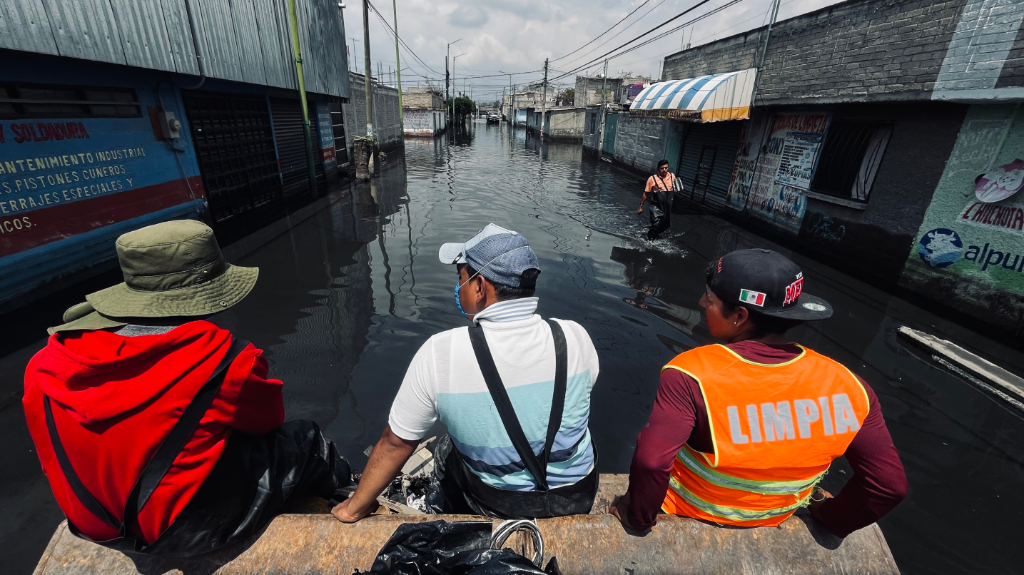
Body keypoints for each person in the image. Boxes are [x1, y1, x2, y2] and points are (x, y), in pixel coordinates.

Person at [23, 220, 352, 556]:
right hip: (187, 532)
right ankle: (348, 504)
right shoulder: (226, 358)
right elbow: (266, 423)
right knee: (307, 440)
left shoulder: (43, 364)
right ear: (208, 294)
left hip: (97, 527)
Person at [610, 249, 907, 536]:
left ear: (739, 315)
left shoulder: (691, 373)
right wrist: (831, 518)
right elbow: (888, 485)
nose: (701, 302)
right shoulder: (850, 384)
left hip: (686, 510)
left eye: (710, 299)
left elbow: (652, 462)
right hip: (777, 516)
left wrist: (637, 517)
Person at [332, 223, 601, 522]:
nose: (458, 287)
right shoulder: (575, 336)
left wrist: (353, 508)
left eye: (461, 277)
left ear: (480, 287)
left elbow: (396, 443)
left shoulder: (441, 353)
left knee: (446, 447)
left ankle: (445, 510)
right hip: (579, 495)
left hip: (500, 506)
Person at [637, 159, 678, 240]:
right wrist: (640, 206)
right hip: (656, 206)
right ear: (658, 169)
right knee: (656, 224)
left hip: (667, 206)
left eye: (666, 168)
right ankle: (650, 239)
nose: (664, 170)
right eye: (662, 168)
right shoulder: (652, 179)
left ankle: (654, 234)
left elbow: (676, 189)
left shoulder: (672, 176)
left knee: (666, 224)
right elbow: (646, 193)